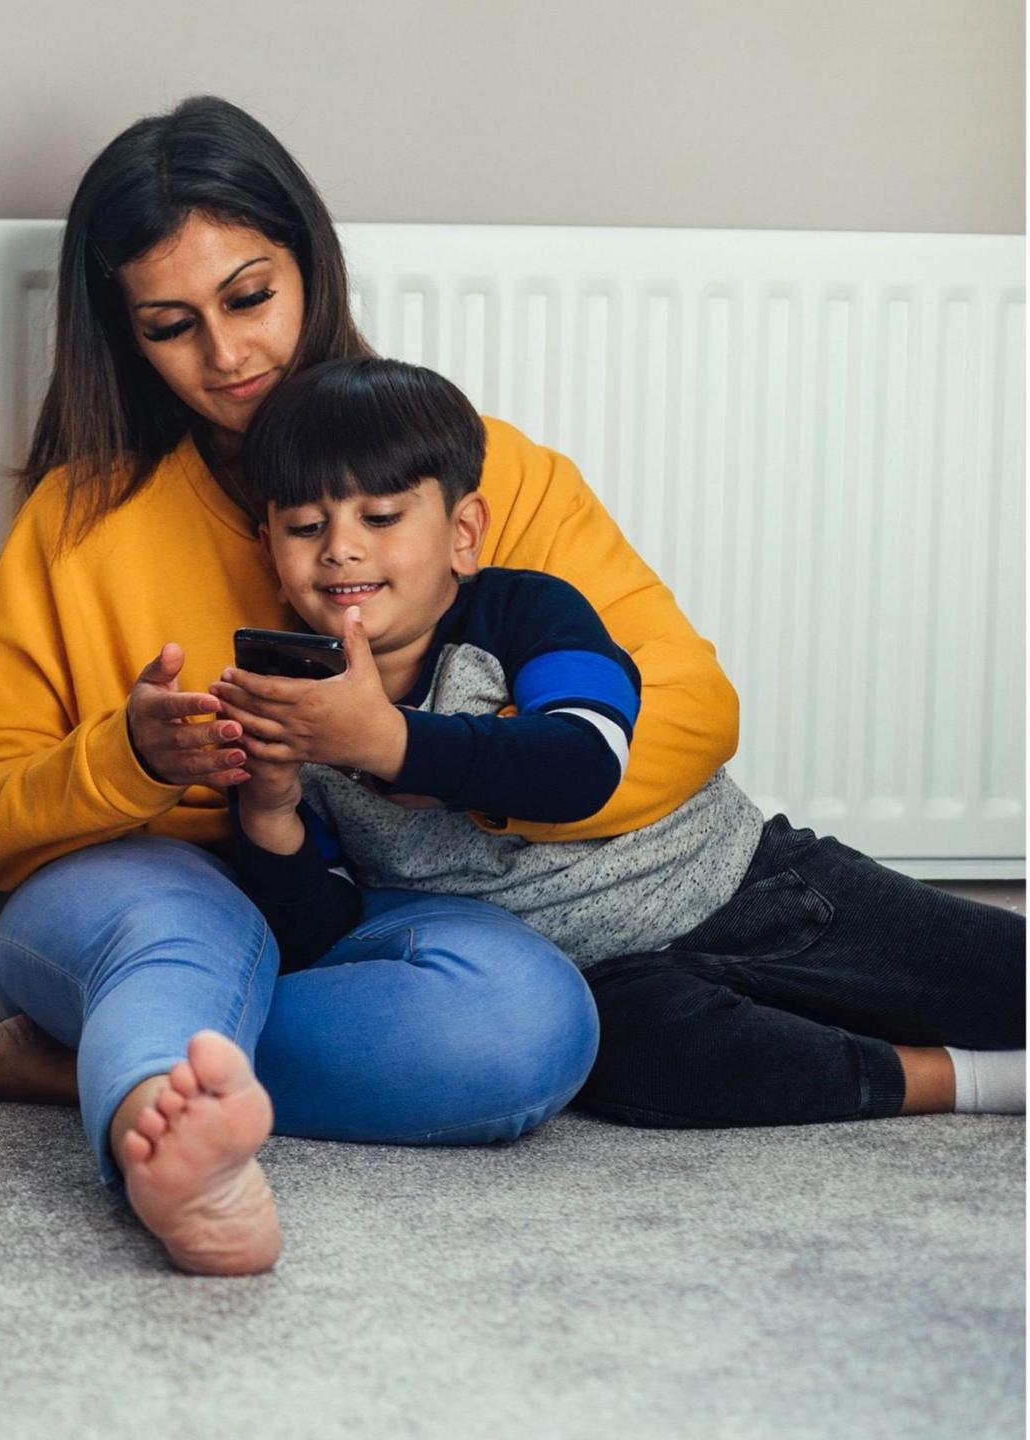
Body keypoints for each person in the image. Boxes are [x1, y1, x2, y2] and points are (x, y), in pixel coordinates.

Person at [0, 95, 741, 1276]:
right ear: (124, 333)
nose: (227, 357)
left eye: (251, 296)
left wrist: (405, 757)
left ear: (311, 265)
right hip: (154, 889)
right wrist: (132, 760)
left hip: (371, 898)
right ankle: (162, 1155)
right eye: (170, 324)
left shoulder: (477, 470)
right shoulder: (75, 523)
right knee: (184, 929)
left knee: (533, 1026)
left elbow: (690, 711)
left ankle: (86, 1060)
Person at [212, 355, 1027, 1126]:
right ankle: (974, 1080)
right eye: (306, 525)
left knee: (995, 974)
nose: (341, 548)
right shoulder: (288, 708)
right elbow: (320, 937)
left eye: (381, 516)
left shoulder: (528, 612)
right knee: (642, 1069)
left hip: (747, 885)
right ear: (270, 552)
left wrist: (391, 741)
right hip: (611, 980)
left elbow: (584, 761)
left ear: (464, 533)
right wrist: (272, 812)